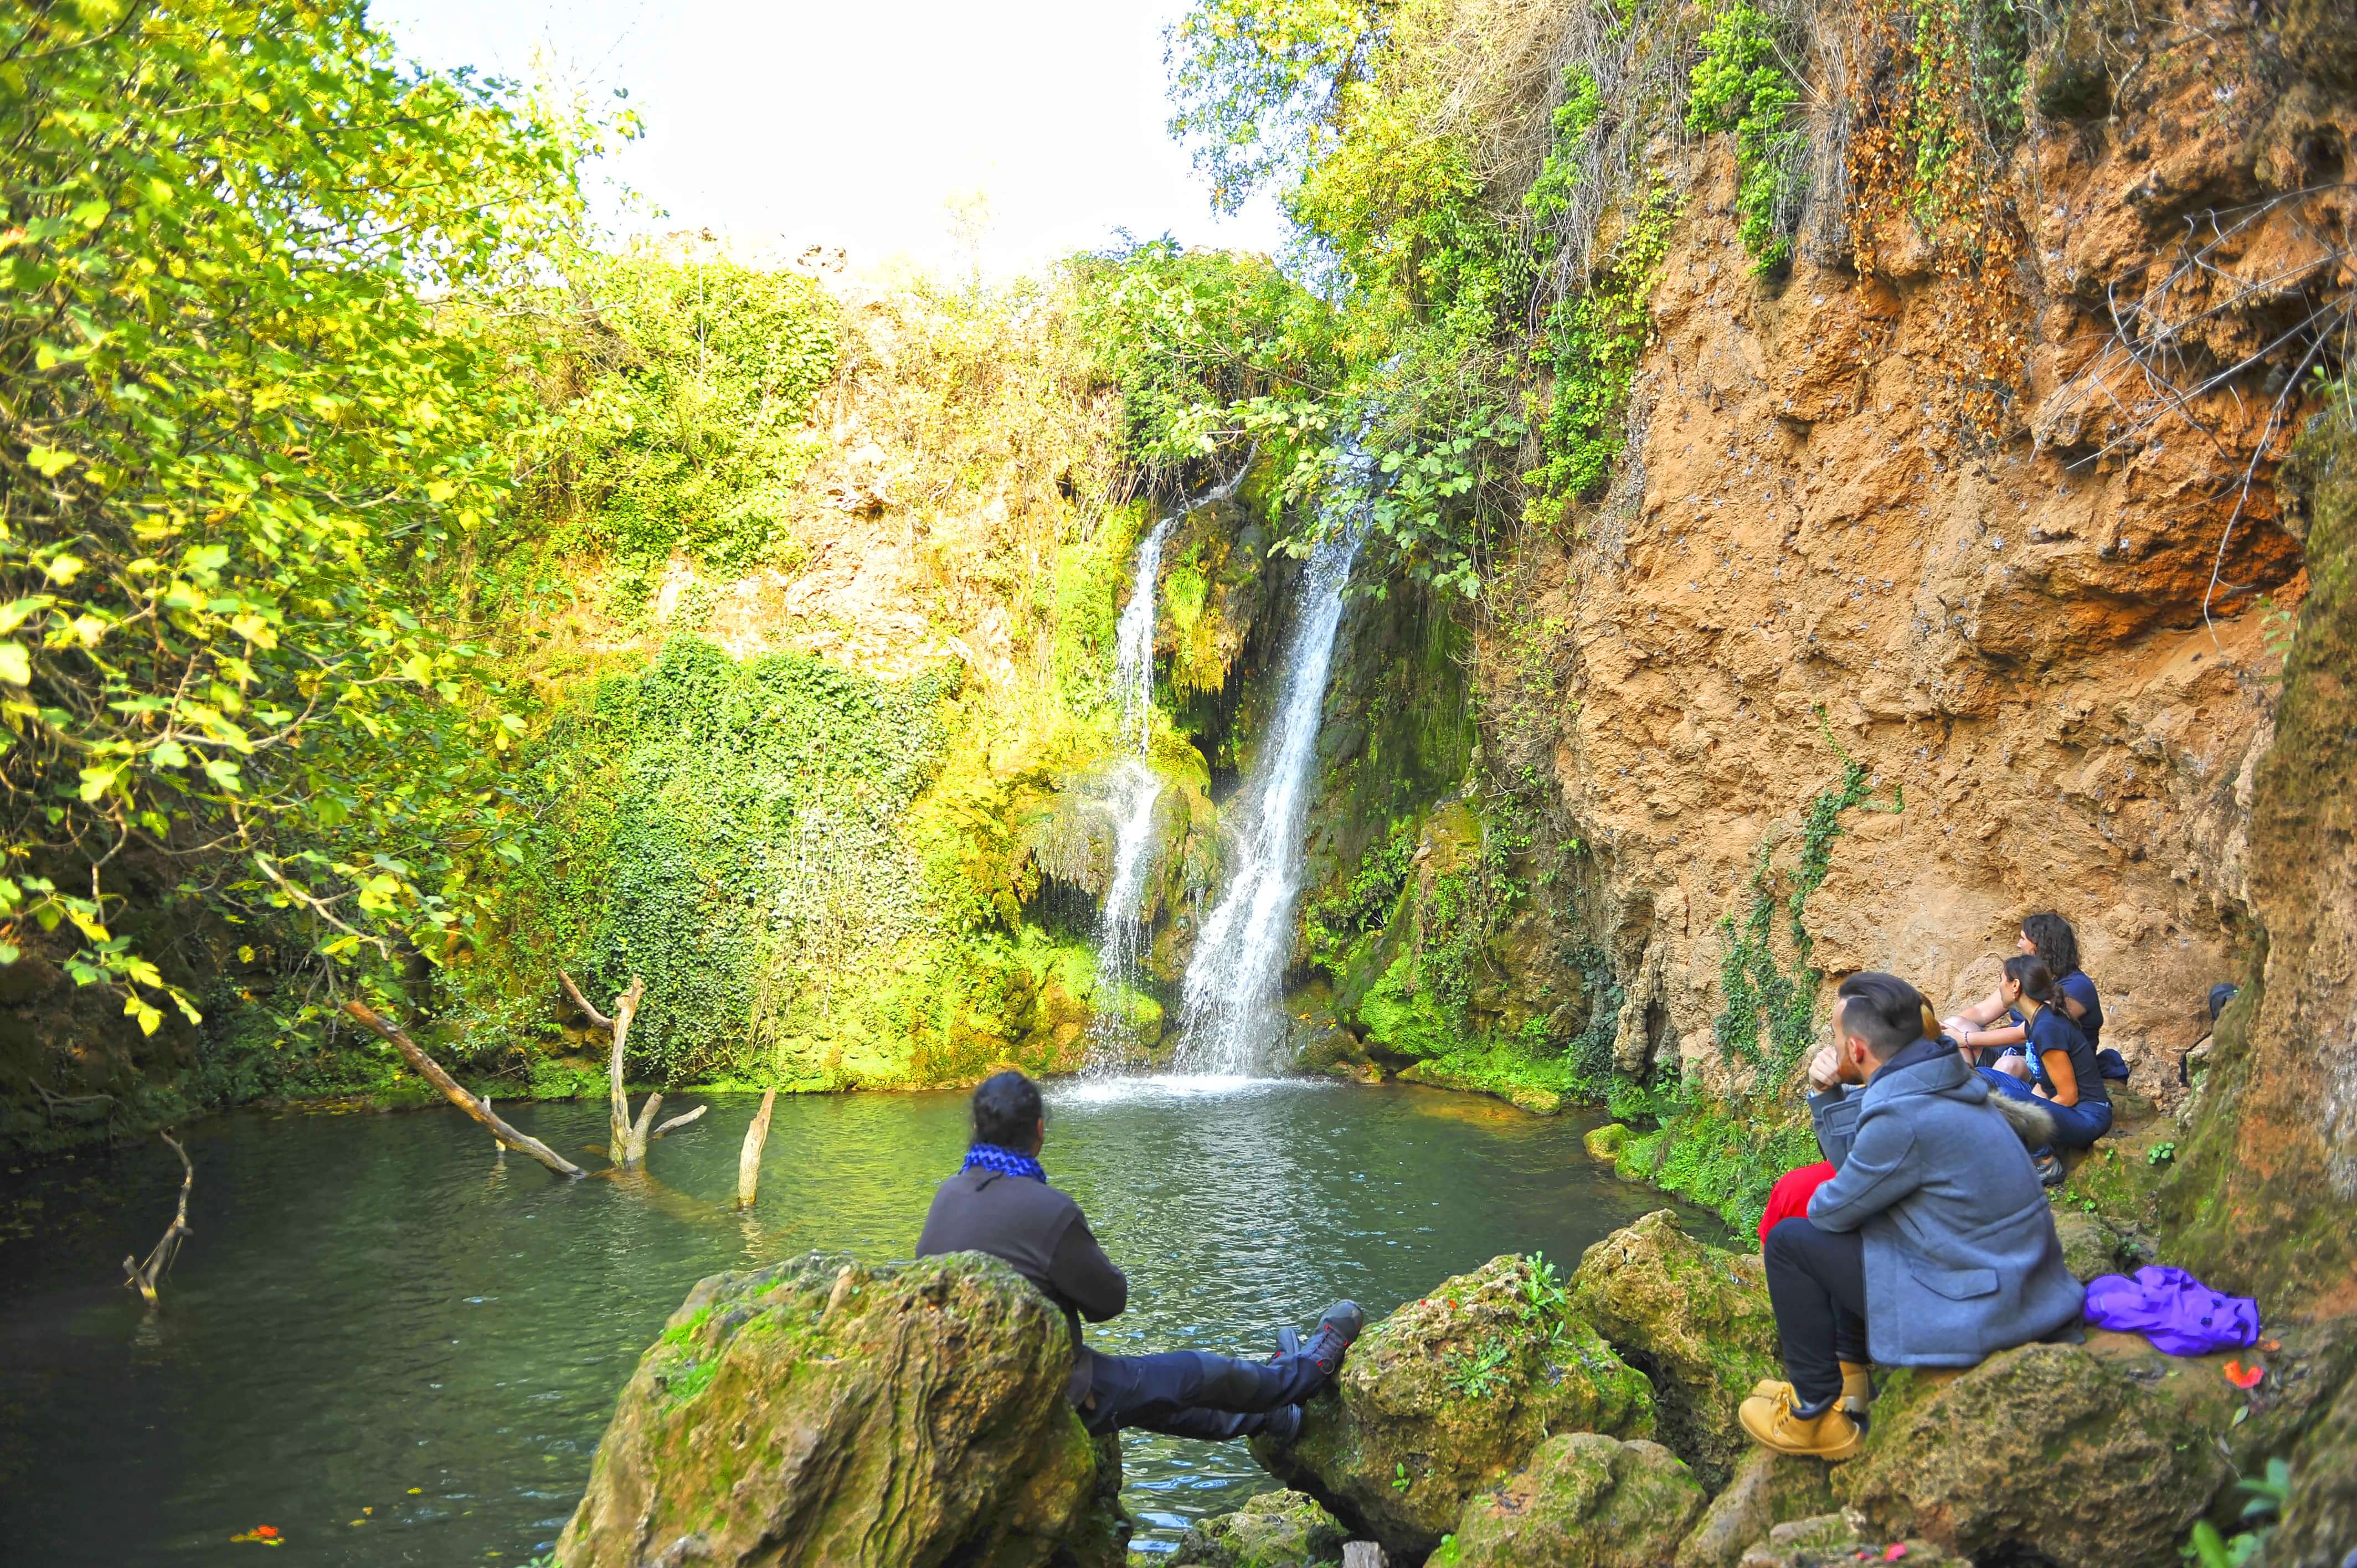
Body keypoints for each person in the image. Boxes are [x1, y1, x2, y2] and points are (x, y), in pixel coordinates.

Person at [914, 1070, 1363, 1442]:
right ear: (1039, 1131)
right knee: (1191, 1374)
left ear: (975, 1131)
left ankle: (1269, 1419)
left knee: (1148, 1394)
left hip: (958, 1386)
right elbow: (1109, 1303)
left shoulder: (947, 1194)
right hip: (1033, 1394)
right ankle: (1302, 1377)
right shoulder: (1049, 1209)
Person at [1741, 971, 2083, 1461]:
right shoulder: (1947, 1080)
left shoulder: (1902, 1113)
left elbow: (1832, 1206)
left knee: (1792, 1242)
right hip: (2022, 1282)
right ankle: (1849, 1382)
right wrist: (1828, 1098)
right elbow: (1859, 1177)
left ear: (1857, 1050)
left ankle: (1812, 1415)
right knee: (1860, 1220)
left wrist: (1828, 1104)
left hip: (1987, 1307)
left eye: (1837, 1038)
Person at [1975, 955, 2112, 1154]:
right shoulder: (2037, 1019)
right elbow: (2047, 1085)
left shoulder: (2048, 1028)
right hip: (2063, 1109)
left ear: (2016, 986)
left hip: (2086, 1116)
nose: (1999, 986)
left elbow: (2068, 1097)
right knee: (1981, 1075)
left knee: (2008, 1099)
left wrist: (2025, 1113)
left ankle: (2044, 1161)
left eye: (2002, 979)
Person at [1944, 912, 2102, 1066]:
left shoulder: (2078, 987)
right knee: (1954, 1023)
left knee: (2005, 1062)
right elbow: (1982, 1012)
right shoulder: (2028, 976)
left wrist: (1964, 1039)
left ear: (2040, 945)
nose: (2019, 944)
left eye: (2023, 939)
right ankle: (1965, 1082)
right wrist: (1939, 1028)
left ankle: (1966, 1085)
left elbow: (2026, 1032)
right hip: (2012, 1051)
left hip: (2045, 1063)